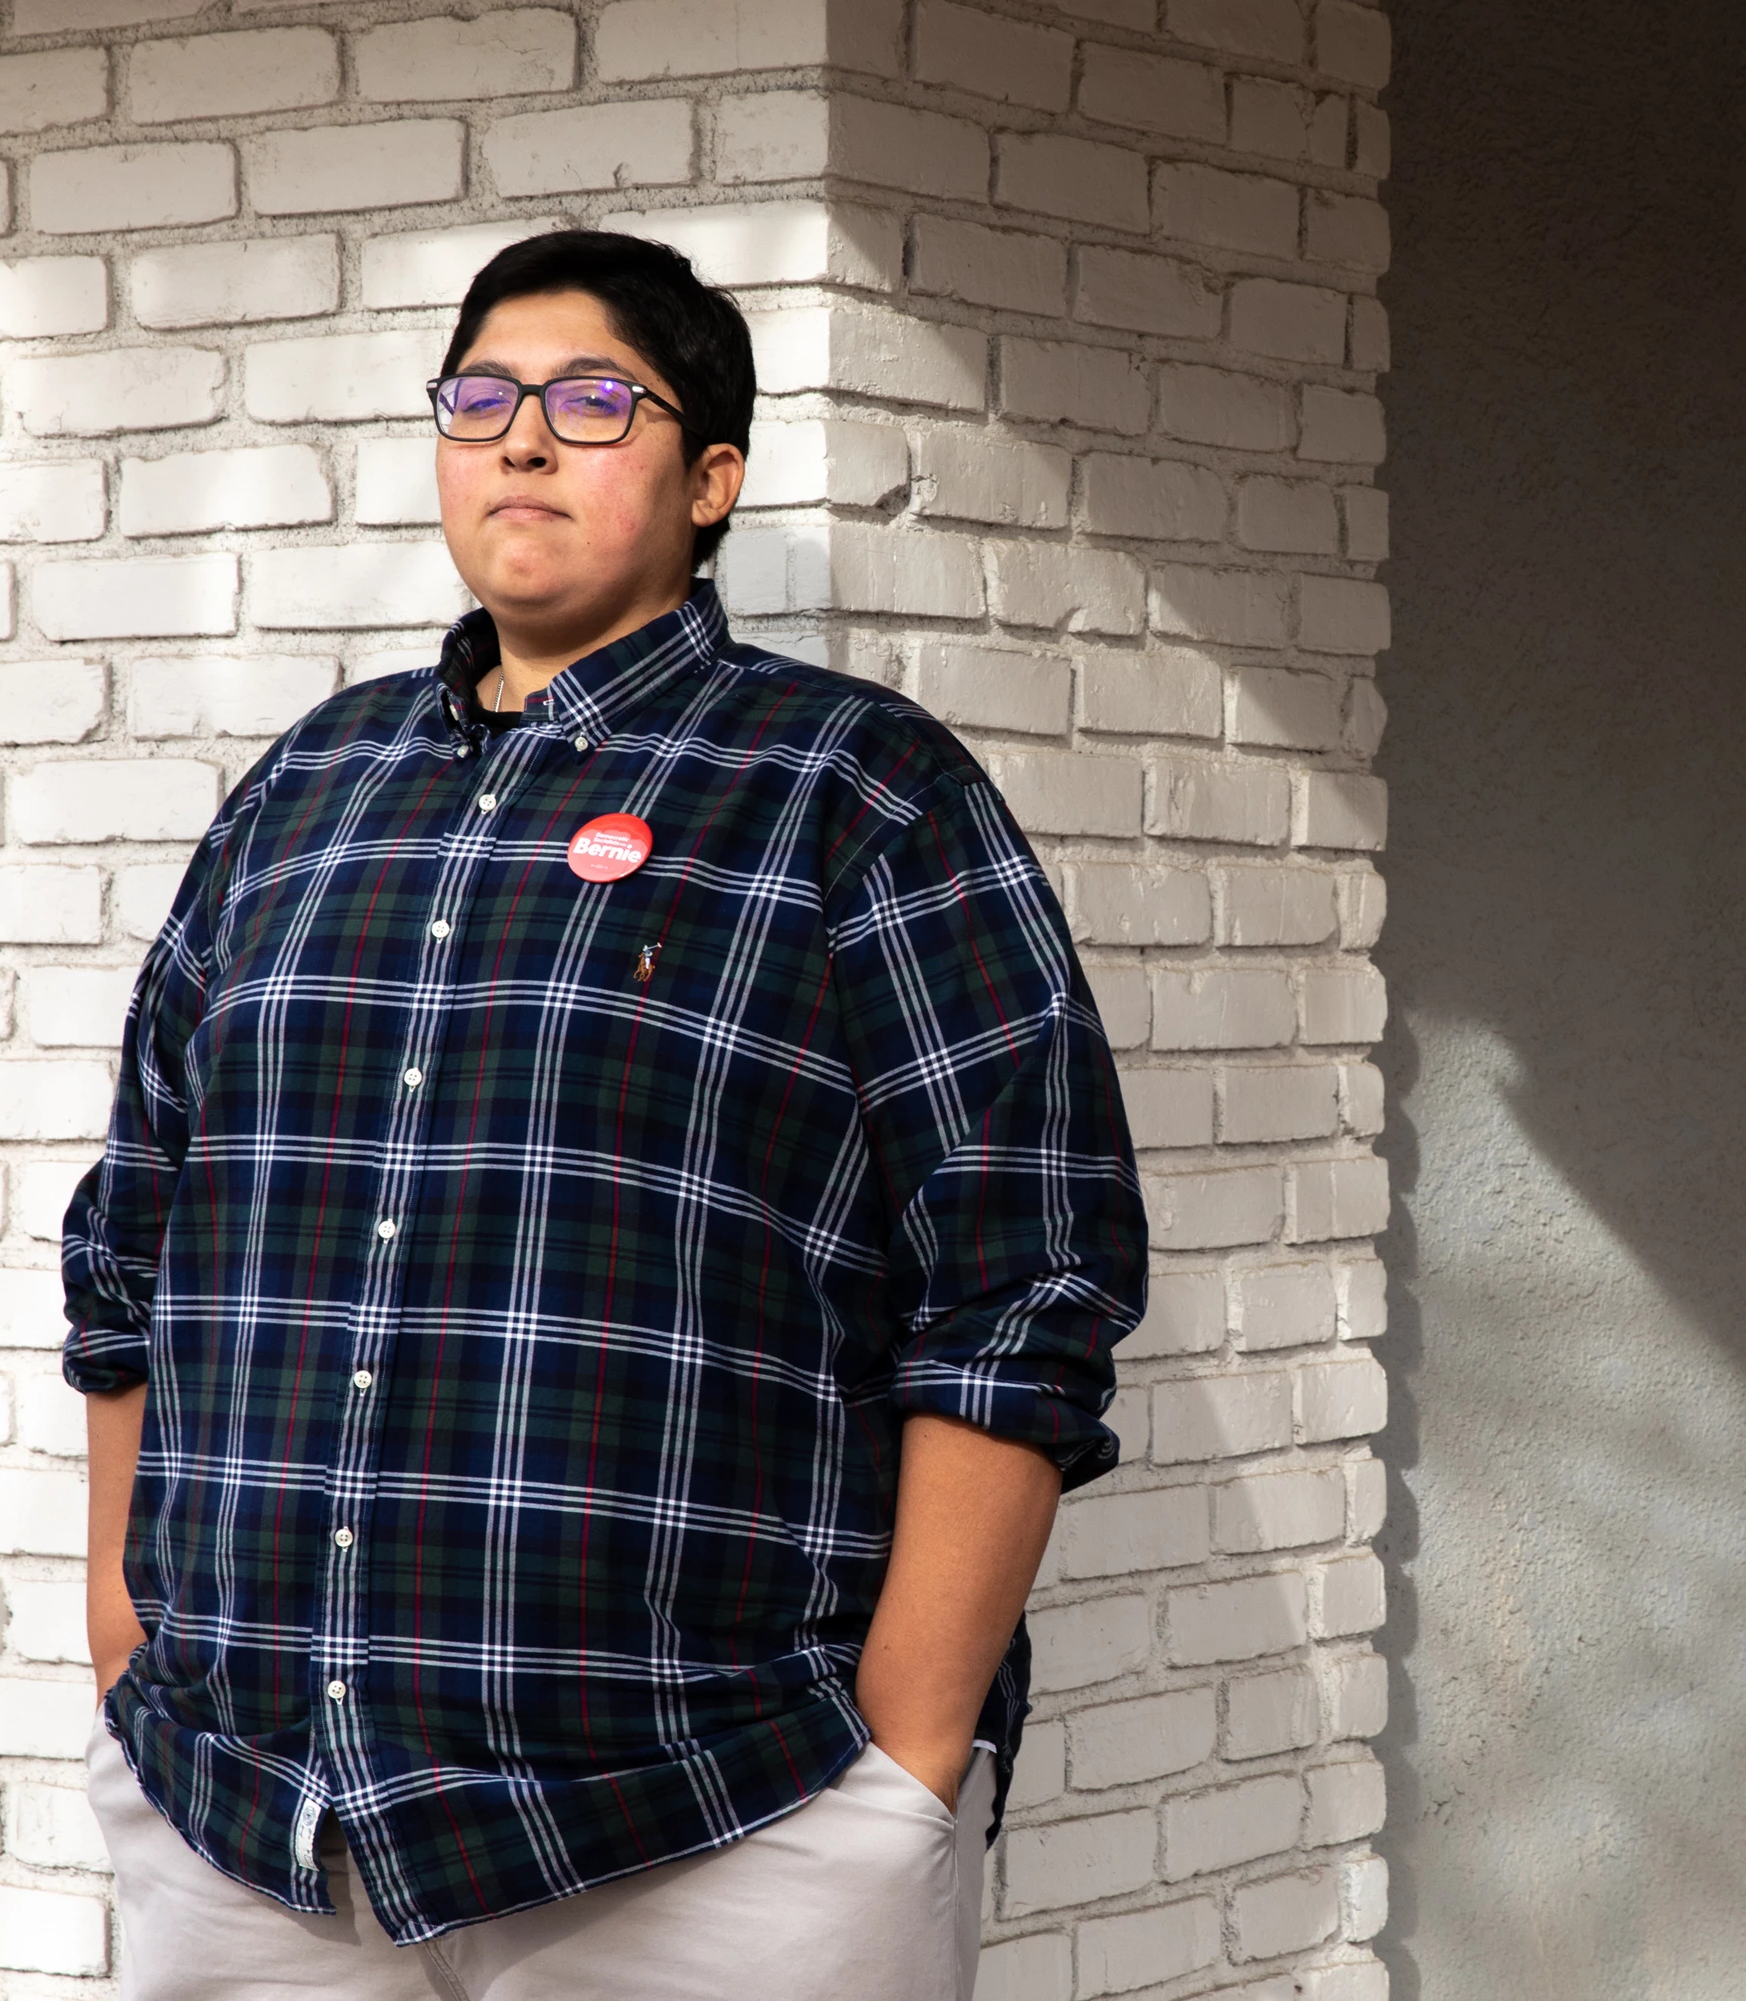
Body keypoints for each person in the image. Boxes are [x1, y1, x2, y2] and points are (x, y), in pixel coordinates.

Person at [61, 229, 1146, 2001]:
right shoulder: (307, 794)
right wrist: (129, 1641)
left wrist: (905, 1759)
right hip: (253, 1825)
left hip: (717, 1823)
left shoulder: (853, 792)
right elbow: (137, 1239)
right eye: (479, 397)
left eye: (591, 401)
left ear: (711, 480)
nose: (522, 440)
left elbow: (1025, 1276)